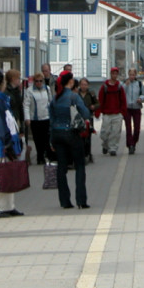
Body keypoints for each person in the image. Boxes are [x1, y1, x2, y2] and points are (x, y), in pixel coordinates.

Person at [49, 71, 92, 209]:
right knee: (79, 166)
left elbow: (51, 120)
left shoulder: (55, 99)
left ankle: (65, 201)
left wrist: (51, 140)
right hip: (72, 134)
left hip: (57, 134)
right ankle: (81, 200)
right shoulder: (74, 97)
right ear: (71, 82)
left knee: (61, 168)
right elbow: (85, 113)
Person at [0, 69, 24, 218]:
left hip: (5, 143)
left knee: (8, 175)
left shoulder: (1, 100)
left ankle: (8, 205)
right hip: (0, 145)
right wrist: (7, 142)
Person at [97, 67, 127, 156]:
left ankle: (113, 148)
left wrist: (123, 112)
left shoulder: (119, 87)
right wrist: (98, 111)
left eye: (116, 74)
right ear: (110, 74)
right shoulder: (105, 87)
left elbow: (123, 100)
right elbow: (100, 100)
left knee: (115, 132)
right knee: (104, 133)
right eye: (113, 73)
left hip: (117, 114)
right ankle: (105, 144)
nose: (114, 75)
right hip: (107, 114)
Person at [23, 72, 52, 165]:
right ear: (34, 82)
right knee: (37, 139)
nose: (39, 83)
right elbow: (26, 105)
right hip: (35, 119)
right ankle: (40, 156)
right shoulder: (30, 91)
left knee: (46, 138)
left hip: (46, 117)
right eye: (37, 81)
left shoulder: (47, 89)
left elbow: (50, 102)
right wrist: (27, 118)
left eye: (40, 81)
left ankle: (45, 155)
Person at [123, 68, 144, 155]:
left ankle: (133, 142)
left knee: (137, 129)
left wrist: (141, 99)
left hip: (137, 108)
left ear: (136, 75)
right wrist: (126, 85)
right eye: (130, 75)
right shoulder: (125, 83)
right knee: (128, 128)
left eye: (133, 75)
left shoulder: (139, 84)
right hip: (127, 108)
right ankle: (130, 145)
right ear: (128, 75)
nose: (132, 77)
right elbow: (121, 93)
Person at [77, 77, 99, 163]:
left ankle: (88, 154)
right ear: (79, 85)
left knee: (88, 136)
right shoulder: (76, 94)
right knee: (80, 136)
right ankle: (81, 154)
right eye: (82, 84)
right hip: (79, 118)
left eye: (85, 84)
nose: (83, 86)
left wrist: (94, 107)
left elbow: (98, 103)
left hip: (89, 117)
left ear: (88, 85)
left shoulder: (91, 94)